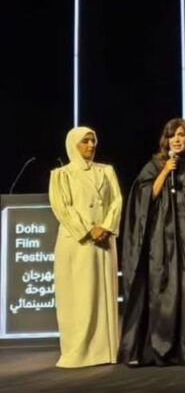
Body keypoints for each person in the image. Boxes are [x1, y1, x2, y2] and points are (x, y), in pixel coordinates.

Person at [119, 119, 185, 366]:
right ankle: (161, 348)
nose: (177, 140)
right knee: (163, 292)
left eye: (181, 135)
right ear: (166, 140)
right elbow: (145, 197)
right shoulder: (156, 165)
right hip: (163, 244)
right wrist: (165, 171)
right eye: (172, 136)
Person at [49, 126, 122, 368]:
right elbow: (63, 207)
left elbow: (116, 201)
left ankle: (106, 350)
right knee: (80, 295)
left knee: (103, 293)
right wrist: (89, 230)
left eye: (93, 140)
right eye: (85, 141)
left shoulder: (106, 171)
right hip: (78, 242)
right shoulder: (61, 175)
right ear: (73, 144)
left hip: (104, 240)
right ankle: (79, 351)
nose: (91, 145)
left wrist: (106, 226)